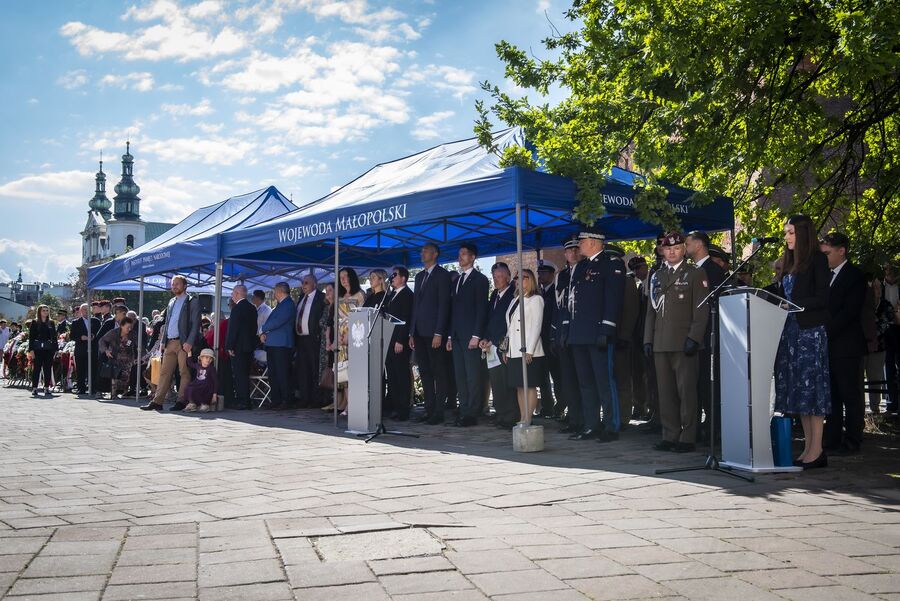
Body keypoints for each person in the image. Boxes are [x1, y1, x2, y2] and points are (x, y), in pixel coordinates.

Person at [773, 214, 832, 469]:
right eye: (786, 232)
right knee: (801, 395)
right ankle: (808, 448)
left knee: (813, 394)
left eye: (790, 232)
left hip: (809, 333)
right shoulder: (788, 261)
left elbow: (822, 297)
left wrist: (794, 305)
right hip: (791, 334)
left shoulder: (817, 259)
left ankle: (817, 450)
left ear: (803, 234)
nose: (786, 237)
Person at [644, 231, 710, 453]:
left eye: (676, 247)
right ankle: (669, 435)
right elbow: (651, 312)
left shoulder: (694, 273)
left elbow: (701, 311)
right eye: (667, 248)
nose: (672, 251)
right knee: (665, 393)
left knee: (687, 392)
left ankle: (687, 437)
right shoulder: (657, 276)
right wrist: (648, 339)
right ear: (663, 251)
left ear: (683, 249)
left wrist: (694, 338)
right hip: (661, 343)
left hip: (684, 344)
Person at [568, 227, 626, 443]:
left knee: (604, 382)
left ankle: (611, 426)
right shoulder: (581, 266)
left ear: (593, 242)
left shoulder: (611, 264)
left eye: (581, 241)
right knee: (585, 382)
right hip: (580, 334)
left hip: (598, 333)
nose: (579, 245)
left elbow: (613, 300)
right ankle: (591, 424)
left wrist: (607, 329)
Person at [819, 232, 866, 456]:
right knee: (833, 395)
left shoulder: (854, 276)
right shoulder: (825, 276)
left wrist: (825, 330)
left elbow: (850, 311)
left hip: (846, 345)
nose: (824, 257)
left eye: (827, 253)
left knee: (850, 394)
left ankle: (853, 439)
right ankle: (832, 438)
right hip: (828, 345)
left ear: (841, 250)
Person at [686, 230, 727, 444]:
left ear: (700, 244)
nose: (685, 246)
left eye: (688, 242)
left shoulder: (712, 270)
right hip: (696, 337)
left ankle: (714, 427)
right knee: (700, 384)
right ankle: (705, 424)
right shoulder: (692, 270)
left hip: (709, 337)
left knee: (710, 385)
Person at [141, 275, 202, 411]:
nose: (174, 286)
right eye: (173, 284)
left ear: (185, 286)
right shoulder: (171, 301)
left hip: (183, 342)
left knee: (184, 372)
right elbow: (167, 322)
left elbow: (195, 324)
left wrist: (189, 342)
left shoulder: (192, 301)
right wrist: (163, 341)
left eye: (177, 284)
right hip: (170, 341)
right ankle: (157, 401)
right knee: (164, 372)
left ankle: (181, 401)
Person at [447, 243, 489, 427]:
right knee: (460, 375)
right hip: (456, 335)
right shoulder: (456, 280)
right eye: (459, 254)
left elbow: (481, 309)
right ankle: (463, 410)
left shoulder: (480, 279)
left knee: (473, 375)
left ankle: (472, 412)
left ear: (473, 257)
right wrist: (449, 336)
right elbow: (453, 311)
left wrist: (476, 335)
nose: (460, 257)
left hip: (471, 335)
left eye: (464, 254)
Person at [409, 242, 452, 425]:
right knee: (425, 371)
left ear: (435, 254)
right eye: (421, 250)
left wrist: (439, 332)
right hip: (419, 331)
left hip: (433, 332)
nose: (422, 253)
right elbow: (416, 306)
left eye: (425, 251)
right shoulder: (419, 277)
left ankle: (439, 411)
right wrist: (411, 332)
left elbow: (444, 305)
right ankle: (429, 408)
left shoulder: (442, 275)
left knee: (438, 371)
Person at [502, 269, 546, 426]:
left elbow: (536, 325)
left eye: (522, 277)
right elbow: (510, 327)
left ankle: (529, 418)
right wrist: (506, 349)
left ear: (530, 279)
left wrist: (530, 350)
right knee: (519, 386)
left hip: (528, 349)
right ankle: (522, 418)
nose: (518, 281)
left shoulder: (536, 299)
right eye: (516, 278)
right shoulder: (515, 299)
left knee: (529, 385)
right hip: (514, 349)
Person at [605, 244, 639, 428]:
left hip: (621, 338)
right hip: (607, 337)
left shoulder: (627, 281)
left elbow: (631, 310)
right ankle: (612, 415)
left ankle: (624, 416)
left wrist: (624, 336)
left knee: (622, 380)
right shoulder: (607, 279)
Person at [482, 262, 517, 429]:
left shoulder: (513, 294)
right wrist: (485, 338)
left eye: (500, 277)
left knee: (507, 381)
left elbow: (509, 323)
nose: (496, 280)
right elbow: (490, 320)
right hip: (491, 345)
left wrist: (497, 342)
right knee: (496, 382)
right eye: (494, 277)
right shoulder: (494, 294)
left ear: (508, 277)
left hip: (505, 344)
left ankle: (510, 416)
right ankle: (501, 413)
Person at [553, 236, 583, 432]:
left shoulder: (586, 271)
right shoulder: (561, 276)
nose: (572, 253)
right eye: (568, 250)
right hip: (564, 332)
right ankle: (573, 418)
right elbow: (559, 307)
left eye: (575, 249)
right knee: (568, 379)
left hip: (581, 332)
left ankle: (584, 419)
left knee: (583, 379)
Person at [260, 282, 296, 410]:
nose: (274, 294)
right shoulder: (281, 305)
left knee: (282, 373)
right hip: (273, 343)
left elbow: (278, 321)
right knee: (274, 373)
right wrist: (264, 332)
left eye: (275, 291)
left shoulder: (288, 305)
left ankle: (286, 399)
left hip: (282, 344)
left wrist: (262, 329)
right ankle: (276, 399)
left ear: (280, 291)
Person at [384, 267, 414, 421]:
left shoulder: (407, 295)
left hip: (398, 341)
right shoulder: (392, 295)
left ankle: (403, 409)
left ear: (403, 278)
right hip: (388, 339)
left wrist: (400, 340)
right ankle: (395, 406)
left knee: (401, 375)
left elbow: (406, 318)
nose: (392, 277)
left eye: (395, 275)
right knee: (393, 375)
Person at [294, 274, 326, 408]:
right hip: (301, 339)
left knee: (314, 369)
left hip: (314, 339)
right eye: (303, 283)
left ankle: (315, 399)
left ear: (315, 284)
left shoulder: (321, 298)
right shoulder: (301, 298)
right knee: (303, 369)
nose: (304, 285)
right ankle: (304, 398)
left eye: (306, 283)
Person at [226, 285, 258, 410]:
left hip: (238, 347)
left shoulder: (237, 308)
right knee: (245, 374)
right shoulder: (252, 308)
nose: (232, 296)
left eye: (233, 293)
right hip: (249, 346)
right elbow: (254, 328)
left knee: (240, 375)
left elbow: (233, 329)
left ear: (238, 294)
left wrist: (229, 345)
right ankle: (246, 400)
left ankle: (243, 401)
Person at [627, 256, 650, 420]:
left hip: (647, 337)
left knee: (648, 376)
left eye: (639, 268)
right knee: (637, 374)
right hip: (637, 337)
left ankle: (650, 407)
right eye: (635, 269)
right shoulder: (639, 286)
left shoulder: (650, 283)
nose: (637, 272)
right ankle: (639, 406)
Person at [537, 260, 558, 418]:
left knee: (558, 375)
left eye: (544, 273)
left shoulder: (556, 292)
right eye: (539, 273)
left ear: (552, 274)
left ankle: (561, 405)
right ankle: (547, 406)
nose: (541, 276)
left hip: (551, 340)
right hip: (539, 341)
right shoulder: (539, 293)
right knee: (542, 376)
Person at [98, 315, 137, 399]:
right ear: (122, 326)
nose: (129, 329)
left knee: (126, 377)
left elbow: (136, 346)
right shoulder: (113, 332)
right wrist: (106, 350)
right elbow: (102, 340)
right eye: (127, 327)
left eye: (131, 327)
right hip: (115, 357)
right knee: (115, 376)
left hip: (128, 359)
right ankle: (113, 394)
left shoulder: (132, 334)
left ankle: (124, 393)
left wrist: (136, 357)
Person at [70, 304, 100, 395]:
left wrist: (94, 336)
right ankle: (81, 388)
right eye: (83, 310)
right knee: (80, 370)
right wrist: (80, 338)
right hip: (81, 349)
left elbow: (100, 333)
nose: (86, 311)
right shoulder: (76, 322)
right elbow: (72, 336)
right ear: (80, 311)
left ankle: (93, 388)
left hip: (93, 349)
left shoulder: (96, 321)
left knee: (93, 369)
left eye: (87, 309)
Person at [28, 305, 57, 396]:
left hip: (48, 349)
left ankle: (46, 387)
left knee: (47, 368)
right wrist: (31, 350)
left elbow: (54, 337)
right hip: (37, 350)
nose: (45, 312)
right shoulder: (35, 322)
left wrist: (55, 349)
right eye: (43, 310)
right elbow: (31, 337)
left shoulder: (51, 322)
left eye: (47, 310)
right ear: (39, 312)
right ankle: (35, 388)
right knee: (36, 369)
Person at [183, 348, 219, 412]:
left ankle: (205, 404)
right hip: (198, 384)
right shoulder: (198, 366)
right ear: (201, 358)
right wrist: (189, 353)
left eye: (210, 358)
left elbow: (215, 381)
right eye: (206, 357)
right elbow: (190, 363)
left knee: (200, 390)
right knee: (189, 388)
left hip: (207, 387)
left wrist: (214, 394)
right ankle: (192, 404)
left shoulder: (211, 369)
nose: (208, 360)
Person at [318, 284, 336, 404]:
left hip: (333, 342)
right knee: (325, 371)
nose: (327, 292)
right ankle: (326, 399)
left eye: (330, 290)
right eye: (326, 290)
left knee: (334, 370)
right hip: (324, 343)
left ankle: (336, 400)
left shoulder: (338, 306)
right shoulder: (326, 307)